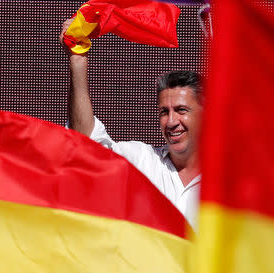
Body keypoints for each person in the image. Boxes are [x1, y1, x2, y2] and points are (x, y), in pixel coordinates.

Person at [60, 19, 203, 229]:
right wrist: (77, 60)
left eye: (181, 110)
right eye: (164, 112)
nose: (171, 122)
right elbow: (87, 145)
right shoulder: (142, 162)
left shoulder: (232, 183)